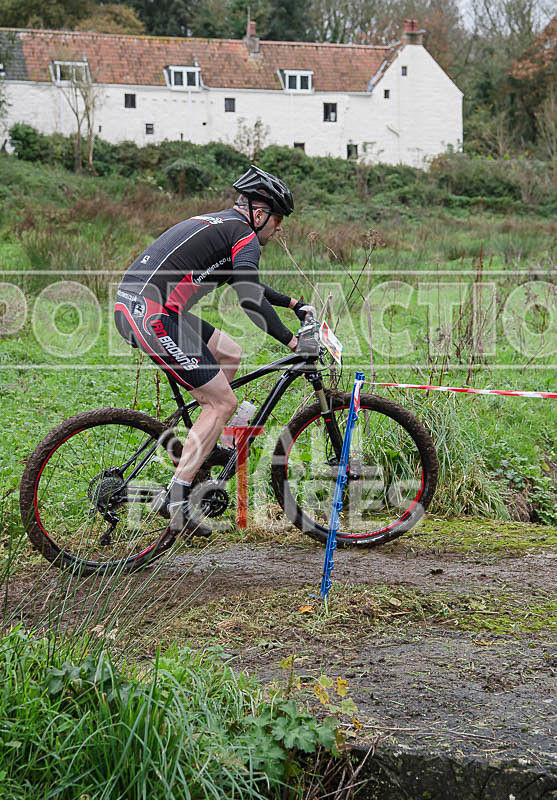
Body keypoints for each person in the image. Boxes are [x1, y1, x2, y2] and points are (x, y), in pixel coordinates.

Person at [114, 165, 314, 536]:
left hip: (143, 306)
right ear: (259, 213)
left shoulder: (226, 226)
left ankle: (209, 447)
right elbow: (249, 297)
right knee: (222, 403)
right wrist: (291, 340)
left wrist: (291, 302)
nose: (280, 228)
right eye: (279, 219)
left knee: (229, 353)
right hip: (152, 315)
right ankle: (176, 500)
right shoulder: (244, 236)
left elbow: (247, 280)